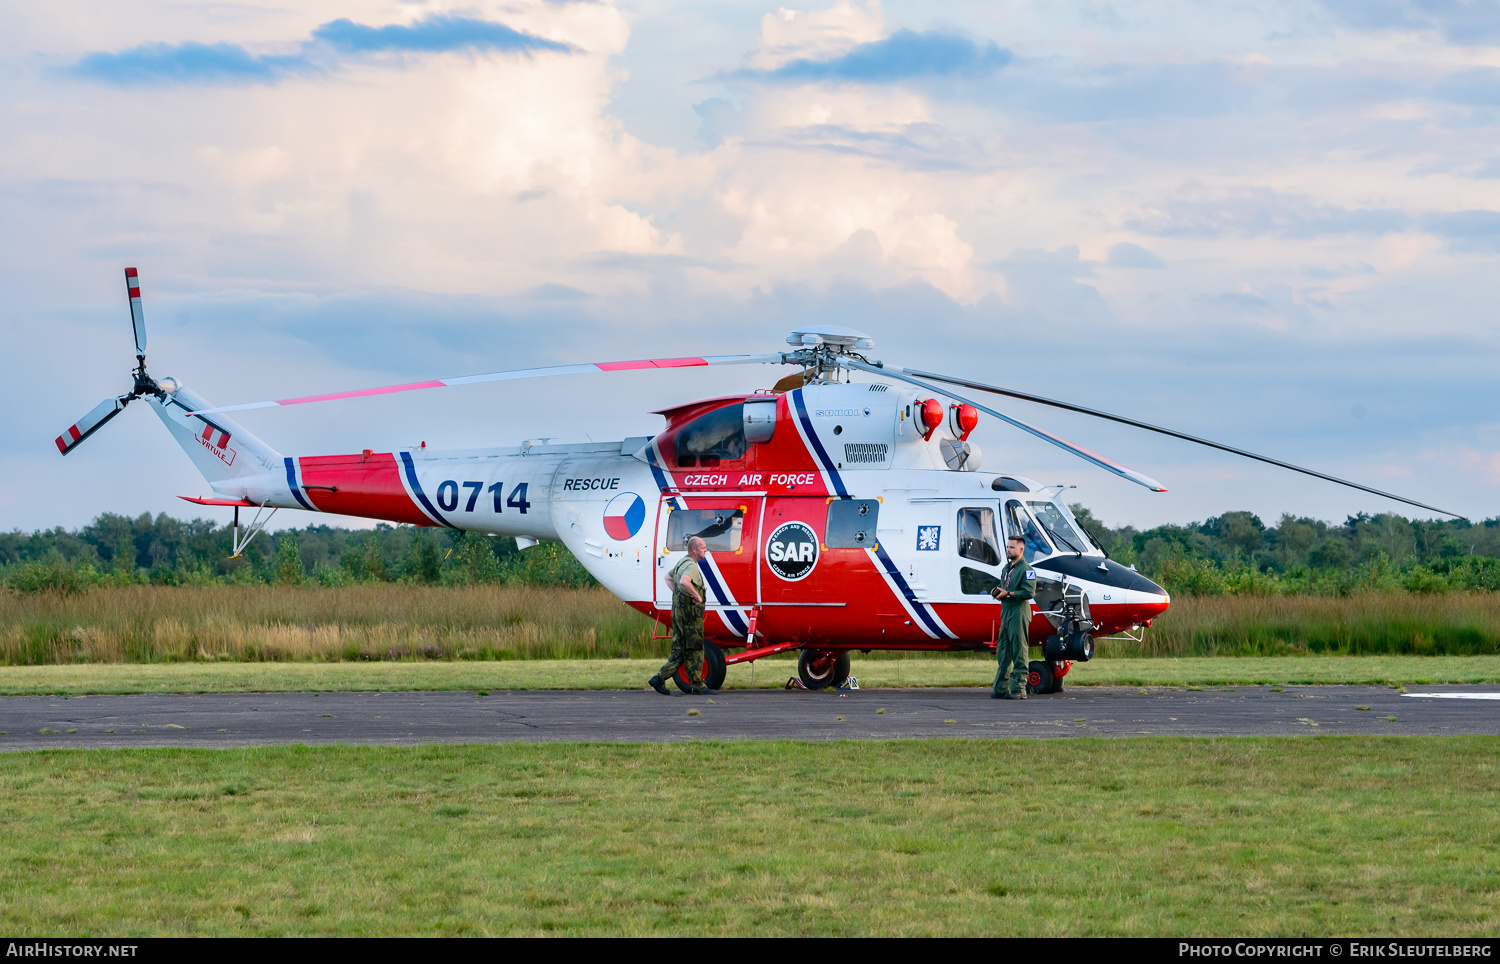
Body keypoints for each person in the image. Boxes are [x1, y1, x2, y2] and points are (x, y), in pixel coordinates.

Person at [648, 535, 714, 695]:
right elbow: (685, 581)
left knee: (680, 649)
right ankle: (697, 686)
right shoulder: (690, 566)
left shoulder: (681, 563)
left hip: (678, 614)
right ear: (694, 549)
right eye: (703, 547)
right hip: (690, 617)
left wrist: (682, 595)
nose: (706, 550)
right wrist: (696, 596)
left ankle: (660, 678)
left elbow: (668, 578)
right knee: (695, 649)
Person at [988, 534, 1036, 700]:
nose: (1008, 550)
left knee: (1019, 649)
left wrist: (1008, 593)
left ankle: (1019, 688)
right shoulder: (1006, 568)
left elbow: (1029, 592)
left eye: (1012, 547)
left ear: (1021, 550)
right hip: (1006, 611)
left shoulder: (1027, 570)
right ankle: (1001, 688)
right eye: (1008, 547)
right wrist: (999, 592)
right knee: (1003, 650)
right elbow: (1005, 587)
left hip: (1019, 611)